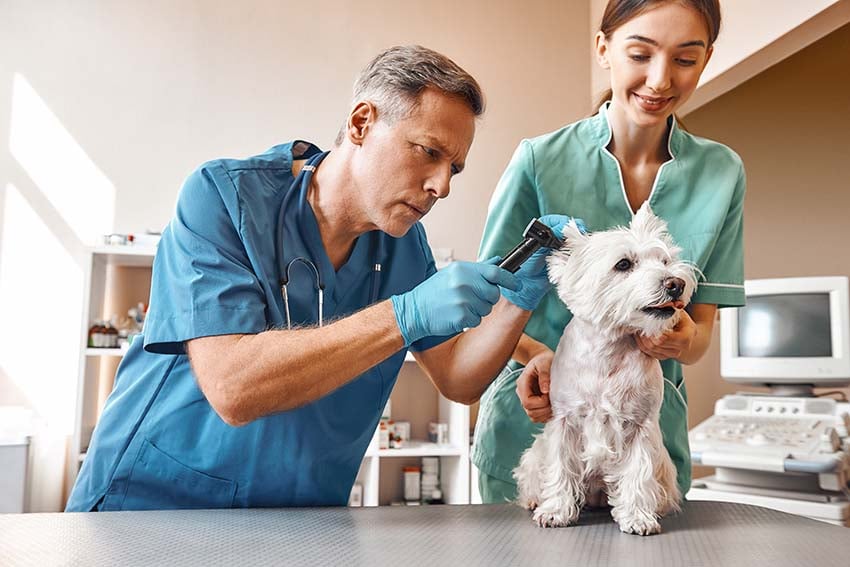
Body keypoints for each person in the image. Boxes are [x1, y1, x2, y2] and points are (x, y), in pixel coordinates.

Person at [66, 45, 572, 511]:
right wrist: (406, 314)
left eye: (454, 169)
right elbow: (233, 387)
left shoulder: (402, 245)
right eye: (428, 152)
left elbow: (459, 378)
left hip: (299, 521)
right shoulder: (222, 197)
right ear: (360, 123)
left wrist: (518, 300)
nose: (441, 185)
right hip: (153, 507)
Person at [472, 0, 745, 505]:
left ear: (706, 59)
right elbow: (489, 299)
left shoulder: (722, 173)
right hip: (538, 430)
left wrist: (680, 340)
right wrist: (541, 359)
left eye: (686, 59)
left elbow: (702, 332)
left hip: (644, 439)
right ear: (604, 49)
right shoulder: (540, 160)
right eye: (640, 53)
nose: (660, 80)